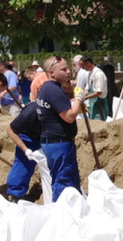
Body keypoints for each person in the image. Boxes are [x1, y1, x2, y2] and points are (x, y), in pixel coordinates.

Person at [36, 56, 87, 201]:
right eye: (63, 69)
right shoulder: (53, 90)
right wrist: (78, 98)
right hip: (59, 144)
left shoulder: (47, 88)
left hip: (53, 142)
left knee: (67, 182)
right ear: (52, 73)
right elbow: (69, 116)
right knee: (64, 185)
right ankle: (62, 216)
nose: (68, 72)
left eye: (68, 68)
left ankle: (71, 214)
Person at [5, 100, 41, 202]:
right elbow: (10, 130)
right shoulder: (31, 112)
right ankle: (15, 196)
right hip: (28, 138)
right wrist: (26, 150)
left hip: (46, 136)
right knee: (23, 165)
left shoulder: (57, 107)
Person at [81, 56, 109, 121]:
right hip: (92, 103)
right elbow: (88, 88)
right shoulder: (90, 74)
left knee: (99, 122)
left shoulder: (98, 74)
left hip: (100, 103)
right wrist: (81, 96)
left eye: (83, 66)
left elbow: (99, 92)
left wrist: (86, 97)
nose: (82, 68)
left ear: (88, 63)